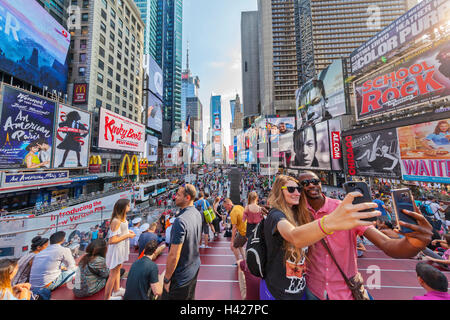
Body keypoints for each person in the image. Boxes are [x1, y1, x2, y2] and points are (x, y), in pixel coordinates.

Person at [297, 171, 433, 300]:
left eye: (314, 181)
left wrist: (415, 243)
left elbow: (386, 244)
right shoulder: (297, 213)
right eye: (305, 183)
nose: (311, 185)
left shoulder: (345, 209)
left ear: (320, 183)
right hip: (312, 289)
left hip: (345, 290)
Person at [161, 184, 202, 300]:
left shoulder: (180, 221)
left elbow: (174, 255)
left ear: (187, 198)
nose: (175, 197)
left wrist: (166, 279)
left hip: (180, 277)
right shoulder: (197, 213)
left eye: (178, 195)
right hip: (193, 269)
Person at [104, 199, 136, 300]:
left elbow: (121, 231)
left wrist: (127, 231)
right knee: (113, 274)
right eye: (128, 205)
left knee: (118, 270)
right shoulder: (116, 221)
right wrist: (127, 235)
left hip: (121, 247)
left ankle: (117, 289)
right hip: (117, 249)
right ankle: (107, 297)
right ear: (123, 207)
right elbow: (112, 240)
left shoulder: (122, 218)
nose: (129, 207)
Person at [223, 198, 247, 266]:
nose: (225, 209)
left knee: (234, 246)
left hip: (243, 231)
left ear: (228, 204)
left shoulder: (233, 212)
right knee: (240, 245)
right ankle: (245, 260)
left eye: (225, 207)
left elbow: (234, 228)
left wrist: (232, 241)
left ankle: (238, 262)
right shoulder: (239, 206)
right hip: (246, 229)